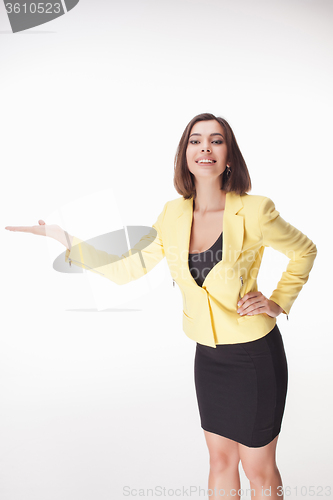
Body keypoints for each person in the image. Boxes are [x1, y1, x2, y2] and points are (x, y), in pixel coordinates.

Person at [5, 113, 317, 500]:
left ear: (229, 156)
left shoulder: (255, 209)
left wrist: (277, 301)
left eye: (216, 141)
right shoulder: (173, 214)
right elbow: (129, 268)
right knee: (219, 462)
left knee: (258, 467)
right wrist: (63, 238)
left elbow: (304, 250)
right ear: (185, 155)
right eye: (195, 141)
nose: (205, 148)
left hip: (255, 355)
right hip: (209, 356)